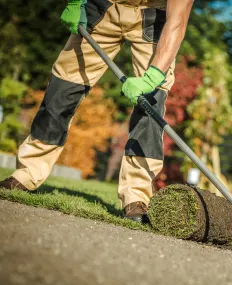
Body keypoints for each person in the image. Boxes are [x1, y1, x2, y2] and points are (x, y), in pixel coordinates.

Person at [0, 0, 194, 224]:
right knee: (63, 88)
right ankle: (26, 175)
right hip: (104, 5)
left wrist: (153, 77)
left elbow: (177, 21)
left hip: (153, 17)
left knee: (151, 102)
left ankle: (137, 197)